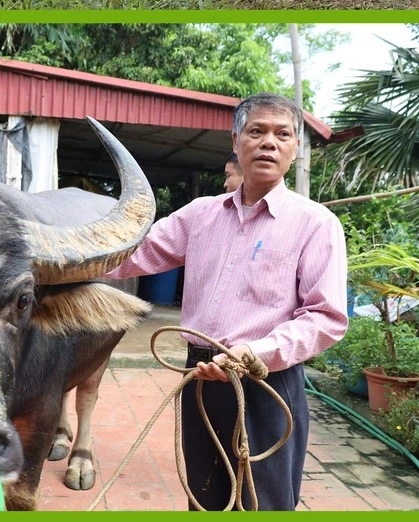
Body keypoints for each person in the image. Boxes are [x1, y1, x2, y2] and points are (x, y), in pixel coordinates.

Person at [107, 93, 348, 510]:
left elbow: (325, 318)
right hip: (199, 377)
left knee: (263, 503)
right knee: (204, 496)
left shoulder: (316, 223)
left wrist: (254, 352)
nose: (268, 142)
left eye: (282, 134)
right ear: (236, 141)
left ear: (295, 149)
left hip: (264, 382)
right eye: (256, 131)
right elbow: (129, 255)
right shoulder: (200, 214)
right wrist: (51, 264)